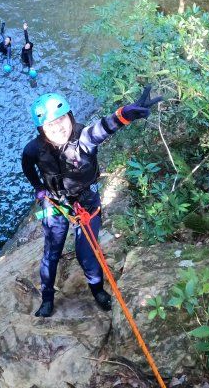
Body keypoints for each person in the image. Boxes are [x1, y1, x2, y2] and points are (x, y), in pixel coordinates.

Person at [21, 86, 162, 318]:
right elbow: (28, 169)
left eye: (61, 119)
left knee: (86, 252)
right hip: (55, 204)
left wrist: (124, 114)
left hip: (86, 202)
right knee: (52, 252)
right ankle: (47, 298)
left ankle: (97, 290)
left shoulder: (83, 138)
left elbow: (103, 129)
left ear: (70, 117)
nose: (58, 127)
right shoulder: (33, 150)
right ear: (42, 129)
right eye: (50, 124)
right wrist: (39, 189)